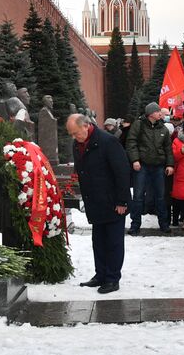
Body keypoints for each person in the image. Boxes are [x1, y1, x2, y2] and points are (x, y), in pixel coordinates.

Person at [67, 114, 130, 294]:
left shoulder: (108, 142)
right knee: (99, 241)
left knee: (114, 242)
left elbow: (122, 172)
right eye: (71, 134)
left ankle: (112, 278)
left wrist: (122, 201)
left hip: (113, 201)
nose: (74, 137)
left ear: (86, 126)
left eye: (76, 133)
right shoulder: (77, 144)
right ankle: (100, 274)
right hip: (95, 200)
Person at [126, 102, 174, 234]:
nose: (161, 113)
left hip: (158, 166)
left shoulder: (163, 128)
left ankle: (163, 224)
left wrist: (170, 164)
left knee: (160, 196)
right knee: (138, 196)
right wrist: (135, 160)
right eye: (158, 111)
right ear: (151, 113)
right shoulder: (139, 125)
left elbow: (168, 149)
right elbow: (131, 142)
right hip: (142, 165)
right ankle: (135, 225)